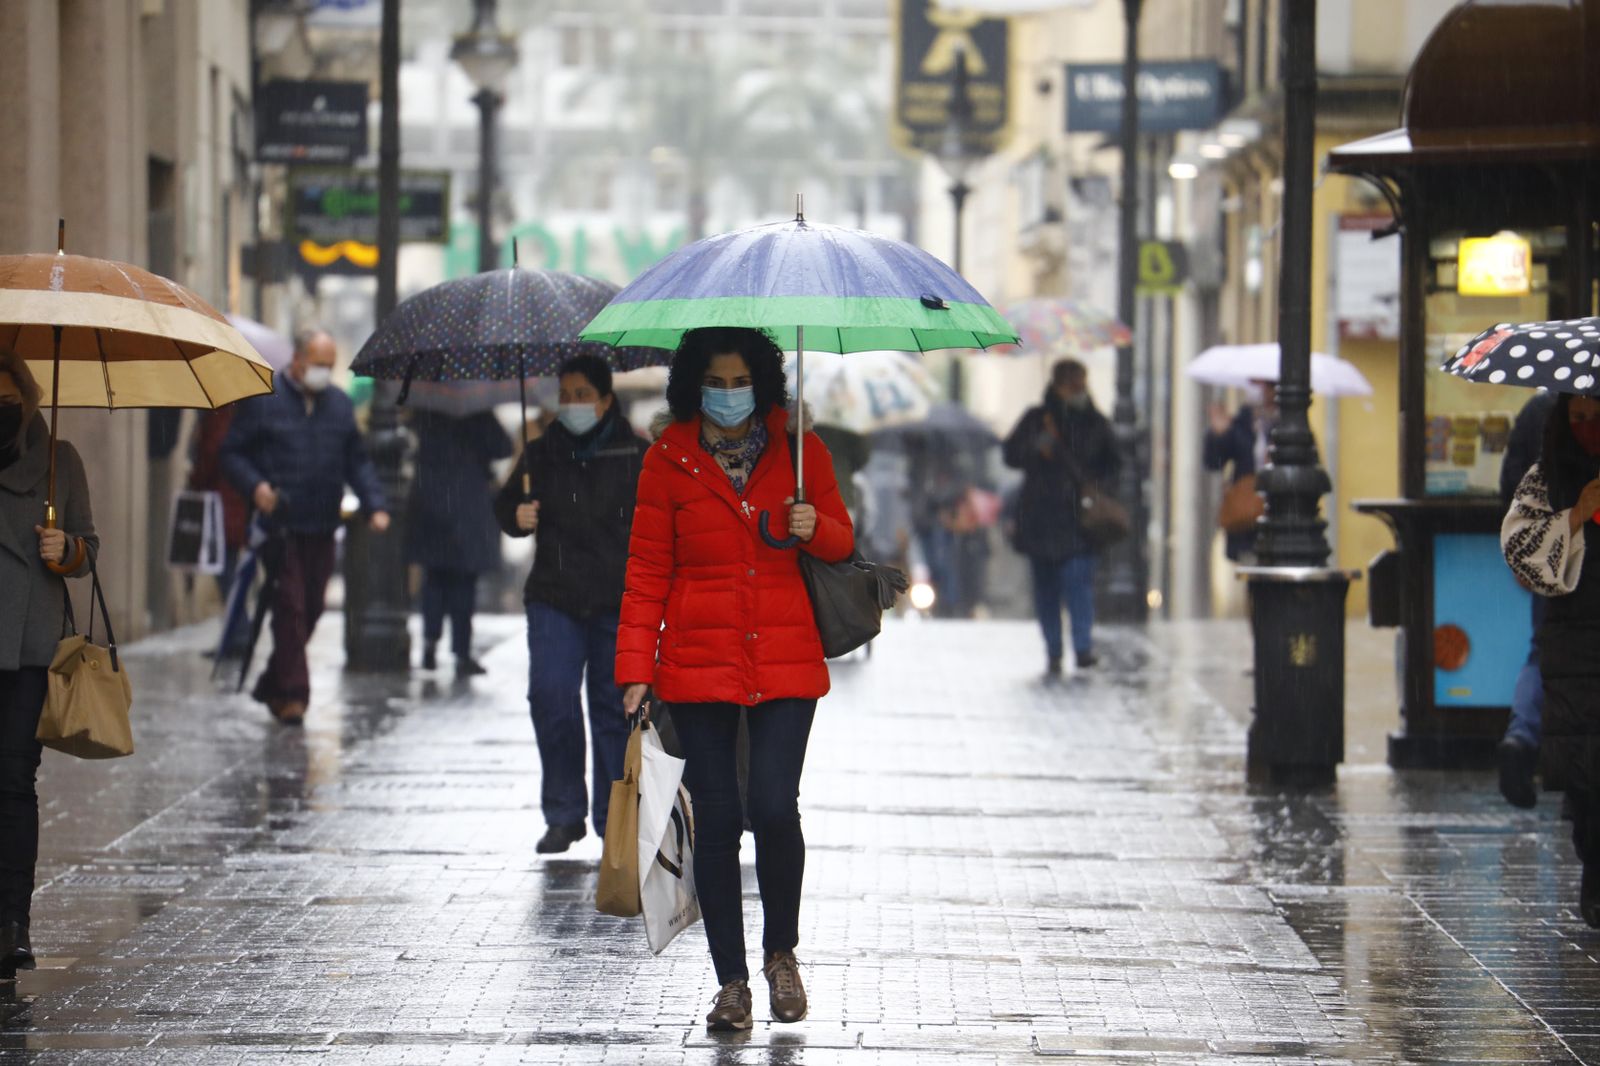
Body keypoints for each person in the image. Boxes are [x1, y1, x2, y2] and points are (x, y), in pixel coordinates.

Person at [616, 327, 853, 1032]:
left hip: (784, 654)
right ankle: (731, 983)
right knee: (718, 820)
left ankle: (782, 953)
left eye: (739, 379)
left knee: (776, 807)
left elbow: (844, 540)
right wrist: (635, 668)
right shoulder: (668, 460)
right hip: (696, 661)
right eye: (714, 382)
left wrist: (816, 526)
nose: (728, 394)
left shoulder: (803, 453)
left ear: (763, 382)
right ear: (695, 385)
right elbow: (647, 571)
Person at [493, 354, 646, 855]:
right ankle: (563, 813)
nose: (572, 404)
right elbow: (506, 508)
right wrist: (518, 514)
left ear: (605, 399)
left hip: (614, 600)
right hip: (555, 597)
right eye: (565, 395)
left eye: (582, 395)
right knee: (552, 697)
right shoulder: (541, 454)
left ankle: (609, 819)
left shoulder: (636, 453)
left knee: (612, 709)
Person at [221, 329, 389, 725]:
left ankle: (271, 684)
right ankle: (295, 695)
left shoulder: (339, 406)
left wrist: (375, 504)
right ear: (297, 360)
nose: (323, 373)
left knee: (311, 607)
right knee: (290, 607)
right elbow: (232, 452)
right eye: (318, 365)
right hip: (280, 525)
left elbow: (357, 462)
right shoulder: (264, 400)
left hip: (323, 523)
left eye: (329, 367)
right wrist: (256, 486)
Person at [0, 350, 98, 980]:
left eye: (6, 398)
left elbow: (91, 551)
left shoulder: (60, 460)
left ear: (27, 396)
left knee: (11, 783)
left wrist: (67, 549)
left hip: (29, 645)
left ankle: (11, 925)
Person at [1502, 392, 1600, 926]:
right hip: (1573, 642)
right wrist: (1577, 514)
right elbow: (1523, 556)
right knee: (1585, 774)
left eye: (1596, 419)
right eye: (1578, 420)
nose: (1588, 430)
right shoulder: (1547, 476)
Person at [1002, 359, 1119, 678]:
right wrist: (1037, 447)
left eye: (1082, 383)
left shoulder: (1095, 423)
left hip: (1080, 520)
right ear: (1058, 384)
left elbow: (1115, 464)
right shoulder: (1037, 419)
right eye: (1073, 384)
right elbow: (1011, 454)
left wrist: (1095, 485)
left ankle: (1082, 648)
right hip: (1040, 518)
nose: (1079, 390)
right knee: (1046, 589)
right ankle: (1054, 650)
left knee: (1078, 584)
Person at [408, 409, 513, 678]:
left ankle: (430, 645)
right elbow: (503, 447)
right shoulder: (478, 412)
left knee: (434, 577)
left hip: (430, 502)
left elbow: (413, 444)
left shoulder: (428, 411)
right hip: (468, 505)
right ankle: (461, 652)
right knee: (463, 583)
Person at [1498, 390, 1559, 808]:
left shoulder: (1541, 410)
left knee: (1544, 651)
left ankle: (1523, 734)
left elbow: (1512, 484)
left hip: (1552, 554)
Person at [1204, 381, 1278, 561]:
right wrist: (1218, 435)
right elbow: (1214, 462)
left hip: (1278, 520)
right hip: (1247, 522)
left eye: (1268, 386)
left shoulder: (1289, 422)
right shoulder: (1242, 424)